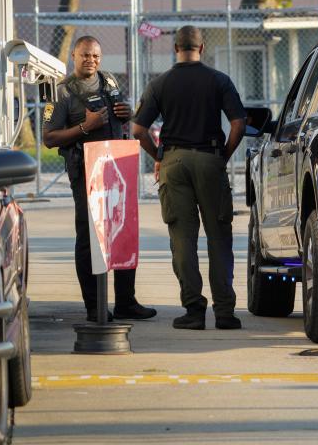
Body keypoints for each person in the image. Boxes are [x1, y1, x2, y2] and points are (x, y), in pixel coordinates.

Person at [131, 25, 246, 330]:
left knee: (183, 240)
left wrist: (159, 157)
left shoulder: (160, 84)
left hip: (174, 162)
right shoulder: (219, 80)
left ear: (175, 49)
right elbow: (239, 123)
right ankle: (224, 313)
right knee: (219, 237)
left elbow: (138, 130)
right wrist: (224, 155)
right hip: (210, 158)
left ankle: (194, 311)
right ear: (202, 48)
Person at [43, 35, 157, 323]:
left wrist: (128, 114)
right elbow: (49, 138)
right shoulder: (61, 92)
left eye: (95, 56)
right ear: (73, 56)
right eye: (85, 55)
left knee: (123, 231)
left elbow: (123, 116)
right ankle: (94, 306)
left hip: (117, 167)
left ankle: (126, 302)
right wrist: (85, 126)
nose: (90, 60)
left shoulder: (109, 81)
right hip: (85, 171)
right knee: (89, 237)